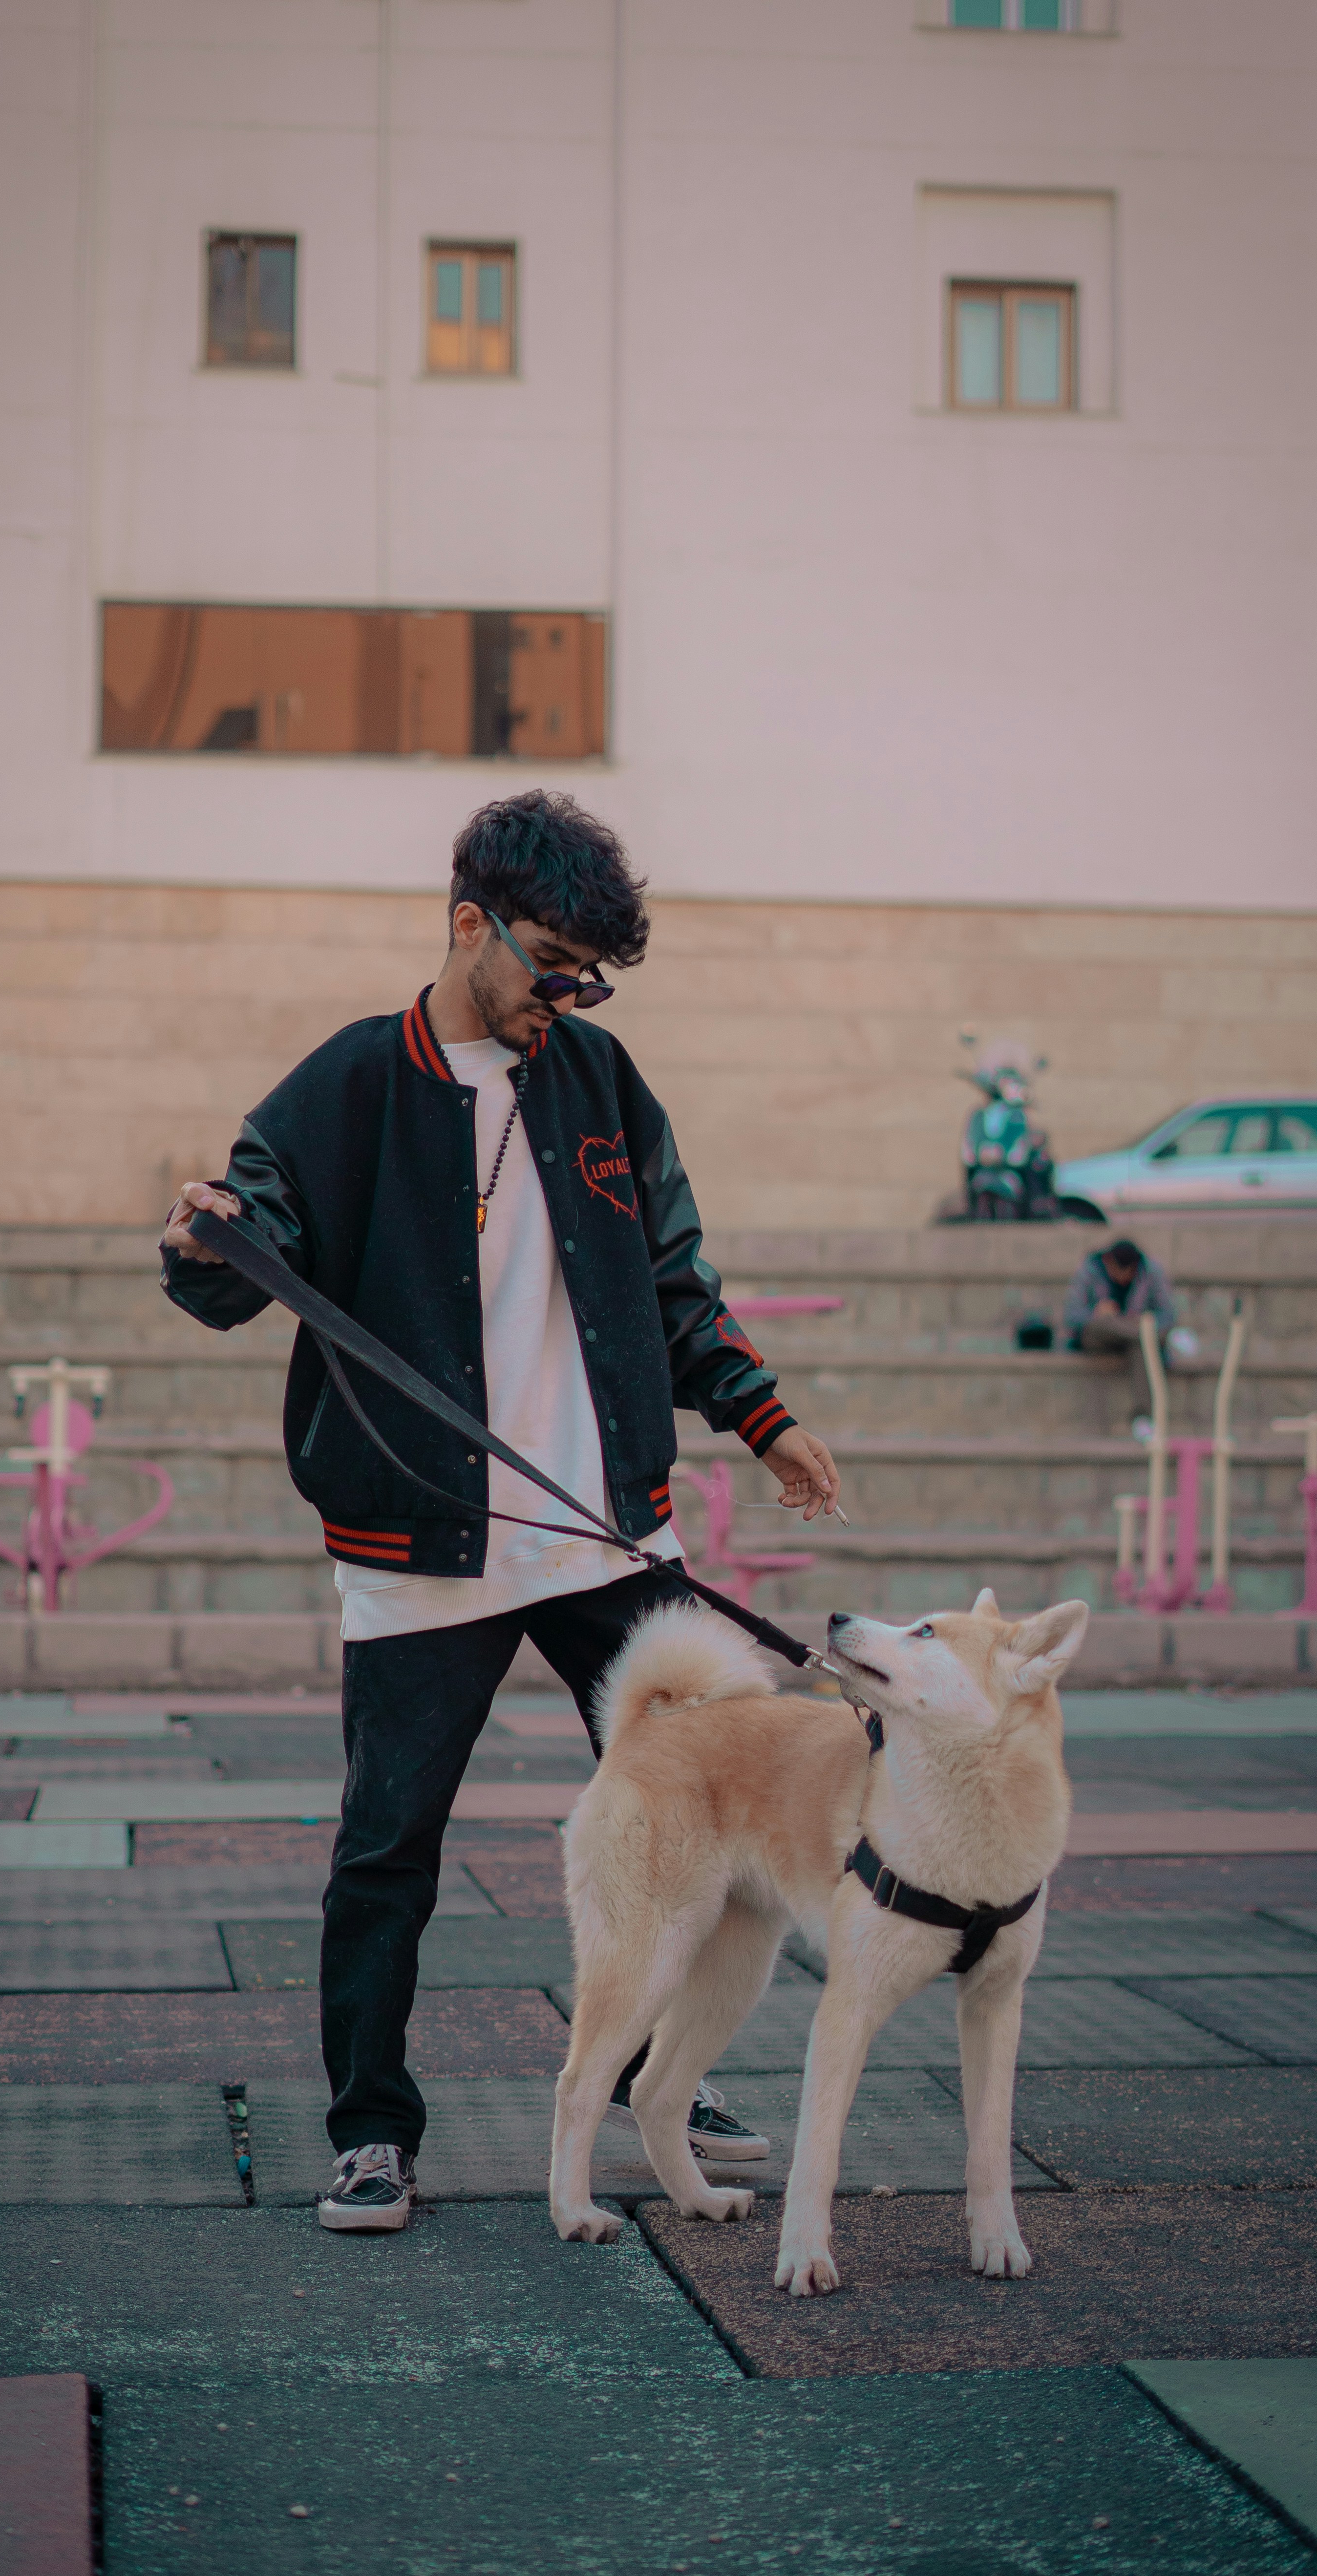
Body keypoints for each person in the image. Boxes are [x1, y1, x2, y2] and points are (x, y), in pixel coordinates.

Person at [159, 789, 842, 2236]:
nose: (569, 998)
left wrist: (761, 1414)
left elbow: (673, 1279)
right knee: (387, 1846)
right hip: (423, 1545)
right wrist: (207, 1243)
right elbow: (247, 1259)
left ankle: (669, 2080)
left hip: (605, 1528)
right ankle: (368, 2130)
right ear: (468, 926)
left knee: (712, 1813)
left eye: (592, 977)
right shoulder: (345, 1087)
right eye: (550, 965)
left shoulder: (599, 1080)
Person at [1062, 1237, 1178, 1356]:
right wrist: (1096, 1314)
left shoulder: (1151, 1271)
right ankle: (1140, 1334)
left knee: (1140, 1347)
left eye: (1129, 1272)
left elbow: (1168, 1314)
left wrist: (1143, 1320)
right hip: (1100, 1337)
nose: (1123, 1277)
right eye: (1118, 1270)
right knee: (1108, 1325)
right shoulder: (1089, 1270)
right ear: (1108, 1261)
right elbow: (1072, 1316)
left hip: (1133, 1341)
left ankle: (1139, 1334)